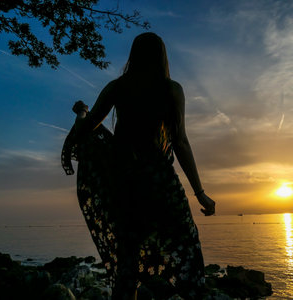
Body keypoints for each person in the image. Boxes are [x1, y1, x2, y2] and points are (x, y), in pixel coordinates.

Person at [62, 32, 215, 299]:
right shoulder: (171, 90)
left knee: (128, 262)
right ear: (162, 57)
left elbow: (86, 130)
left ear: (133, 56)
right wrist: (199, 192)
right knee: (187, 252)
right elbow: (180, 142)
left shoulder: (117, 87)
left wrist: (81, 112)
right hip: (162, 186)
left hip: (127, 185)